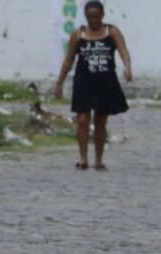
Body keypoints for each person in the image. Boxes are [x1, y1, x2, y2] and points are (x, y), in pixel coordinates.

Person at [54, 0, 131, 171]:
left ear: (102, 15)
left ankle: (99, 159)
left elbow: (124, 50)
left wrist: (127, 68)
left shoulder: (112, 31)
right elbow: (68, 60)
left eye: (96, 16)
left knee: (100, 121)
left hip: (105, 82)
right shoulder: (78, 34)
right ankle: (83, 159)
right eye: (90, 17)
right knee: (82, 119)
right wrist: (59, 82)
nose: (93, 20)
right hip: (84, 82)